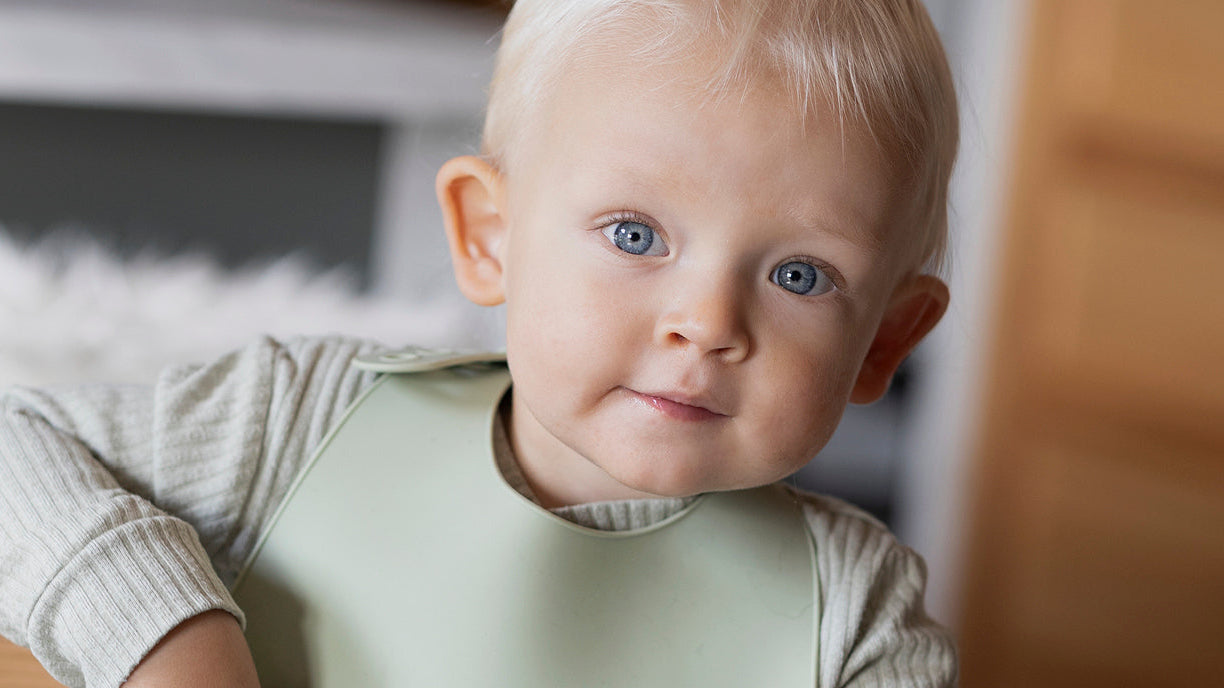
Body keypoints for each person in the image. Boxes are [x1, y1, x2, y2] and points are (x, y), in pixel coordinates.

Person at [0, 0, 960, 685]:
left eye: (800, 276)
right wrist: (166, 635)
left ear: (884, 338)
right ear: (489, 237)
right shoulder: (292, 423)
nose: (707, 324)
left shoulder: (859, 621)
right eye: (635, 235)